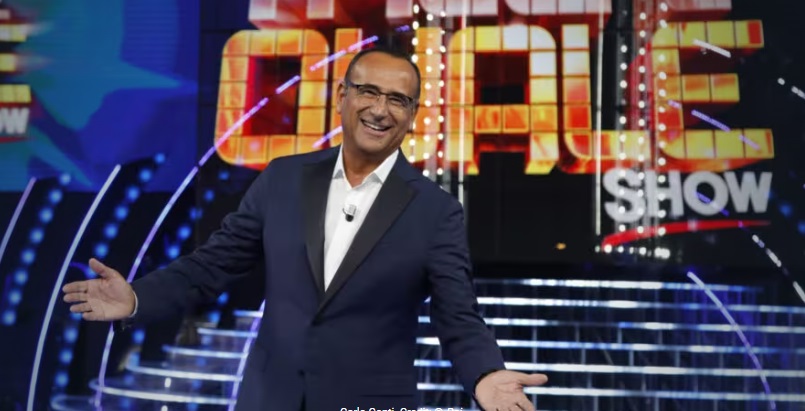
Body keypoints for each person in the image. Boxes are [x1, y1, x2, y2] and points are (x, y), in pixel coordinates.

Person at [63, 46, 548, 410]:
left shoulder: (435, 211)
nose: (380, 109)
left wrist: (484, 374)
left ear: (412, 117)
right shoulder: (283, 179)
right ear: (342, 97)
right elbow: (211, 266)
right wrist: (138, 298)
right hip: (269, 397)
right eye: (368, 91)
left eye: (398, 99)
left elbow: (458, 316)